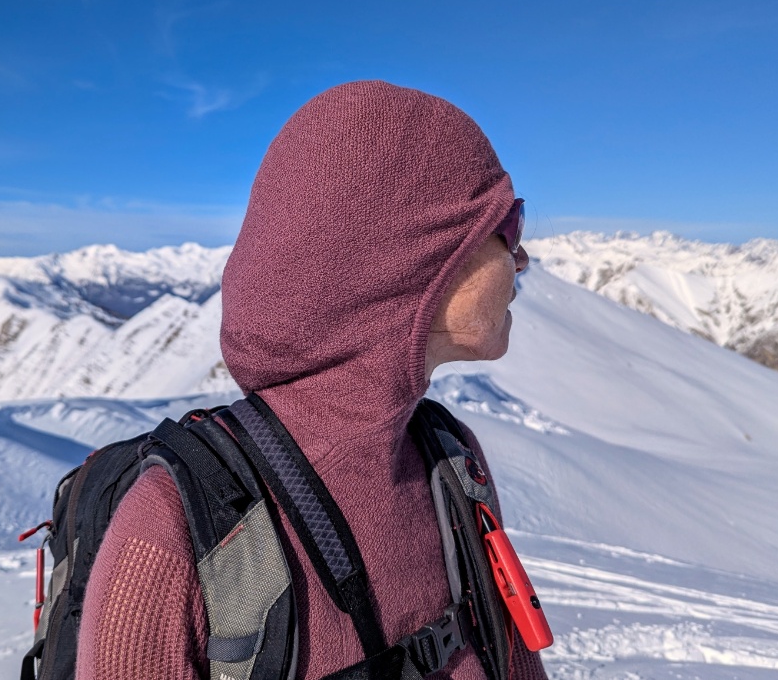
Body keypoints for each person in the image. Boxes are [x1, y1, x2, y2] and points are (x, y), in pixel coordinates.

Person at [75, 80, 547, 680]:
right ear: (413, 255)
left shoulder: (449, 459)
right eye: (509, 223)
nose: (523, 257)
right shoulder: (174, 530)